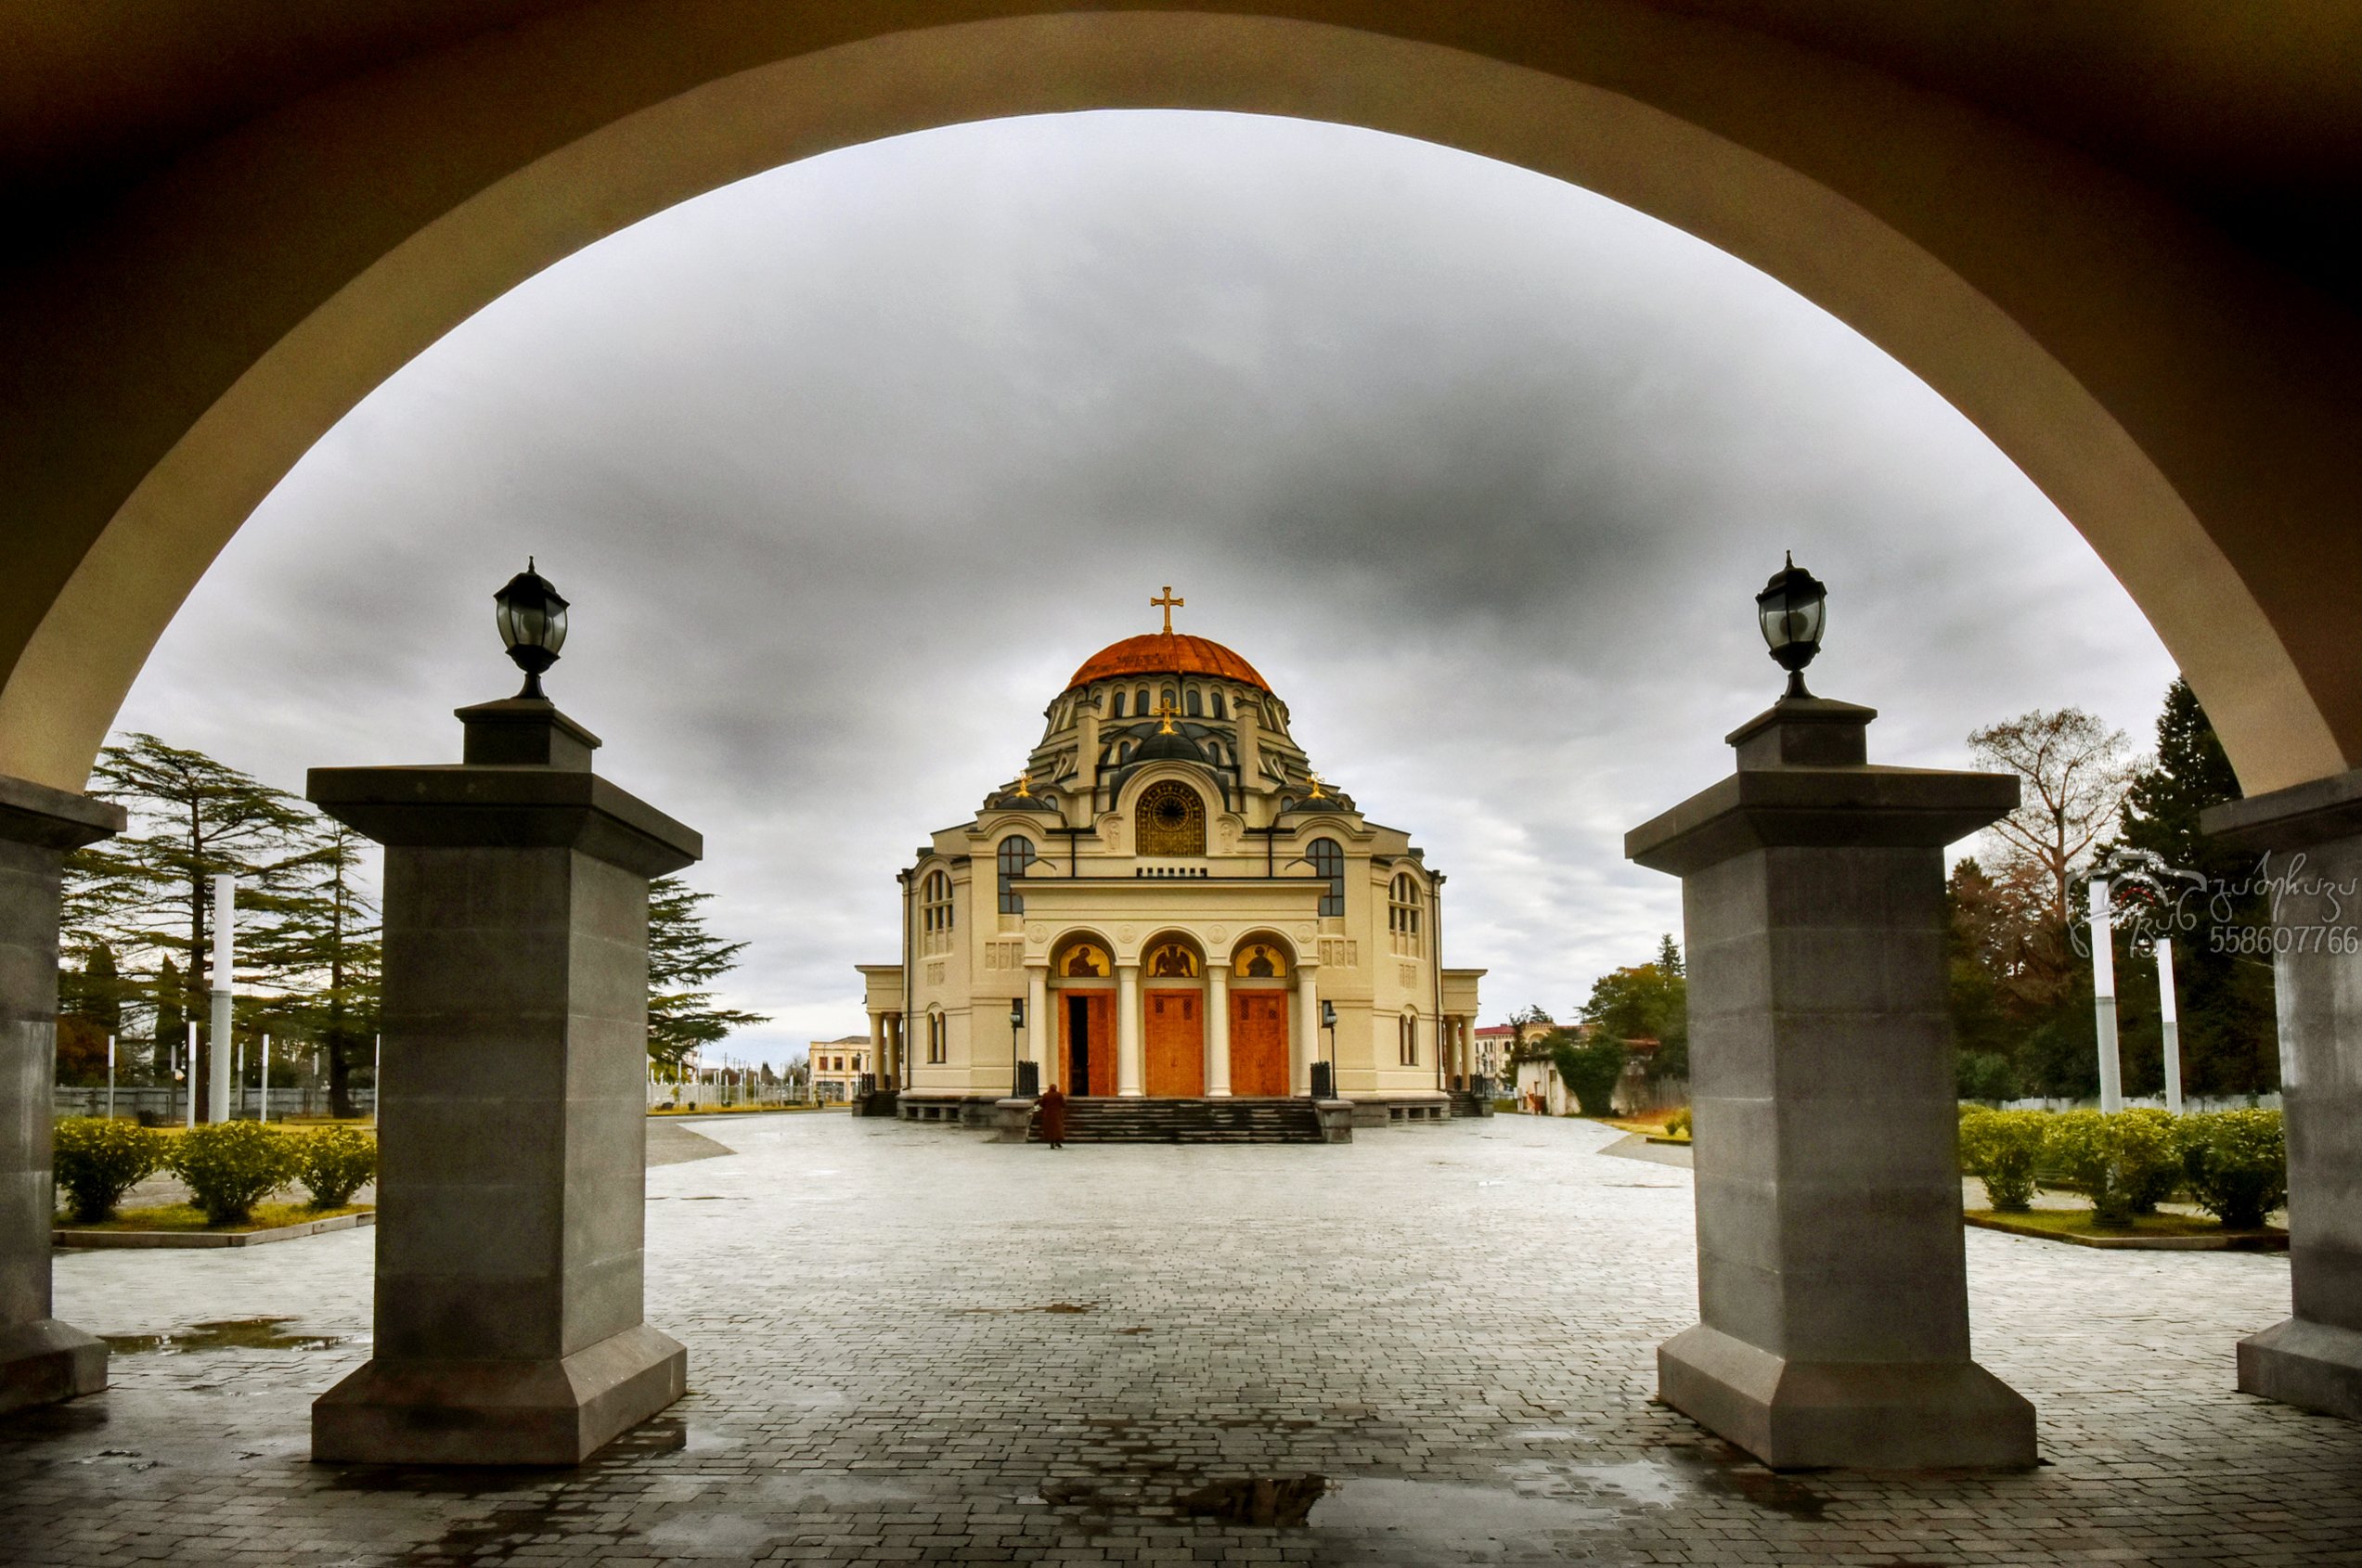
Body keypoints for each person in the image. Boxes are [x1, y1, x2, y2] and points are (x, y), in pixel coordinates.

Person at [1034, 1082, 1067, 1149]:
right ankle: (1058, 1142)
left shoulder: (1046, 1095)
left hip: (1048, 1115)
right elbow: (1064, 1104)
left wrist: (1037, 1108)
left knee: (1050, 1129)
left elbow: (1041, 1104)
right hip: (1057, 1114)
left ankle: (1052, 1143)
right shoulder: (1059, 1095)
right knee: (1058, 1129)